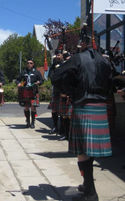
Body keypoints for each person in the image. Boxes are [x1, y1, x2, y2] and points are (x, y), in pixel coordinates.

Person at [52, 35, 112, 201]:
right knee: (89, 150)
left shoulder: (77, 58)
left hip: (83, 106)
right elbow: (111, 82)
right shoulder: (105, 62)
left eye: (81, 43)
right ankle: (87, 186)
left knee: (82, 152)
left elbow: (56, 76)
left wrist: (69, 90)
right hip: (100, 107)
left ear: (84, 44)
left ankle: (90, 193)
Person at [16, 59, 44, 128]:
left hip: (33, 91)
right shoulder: (24, 72)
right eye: (28, 63)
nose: (29, 64)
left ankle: (33, 122)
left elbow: (41, 80)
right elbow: (17, 79)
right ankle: (28, 122)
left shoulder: (37, 72)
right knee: (26, 107)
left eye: (31, 63)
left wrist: (38, 82)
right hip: (25, 91)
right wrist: (18, 83)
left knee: (33, 107)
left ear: (33, 64)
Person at [48, 49, 64, 134]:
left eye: (59, 55)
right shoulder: (53, 65)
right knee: (54, 110)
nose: (58, 56)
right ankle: (55, 127)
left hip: (63, 90)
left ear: (62, 56)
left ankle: (62, 128)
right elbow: (51, 75)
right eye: (57, 55)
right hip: (56, 89)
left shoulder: (66, 64)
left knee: (62, 111)